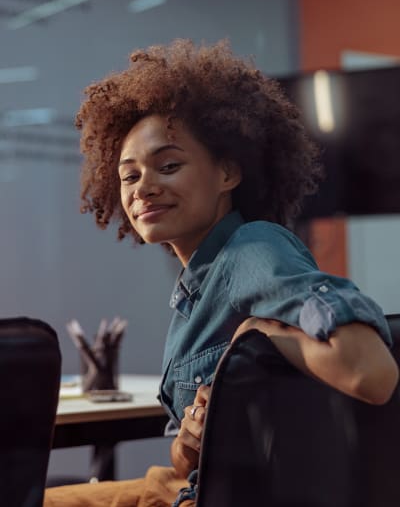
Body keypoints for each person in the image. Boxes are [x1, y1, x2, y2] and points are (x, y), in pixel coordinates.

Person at [44, 39, 399, 507]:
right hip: (182, 486)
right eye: (129, 176)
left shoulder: (252, 249)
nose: (143, 188)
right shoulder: (198, 286)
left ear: (228, 173)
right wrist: (187, 440)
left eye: (168, 165)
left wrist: (262, 334)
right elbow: (185, 461)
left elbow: (372, 373)